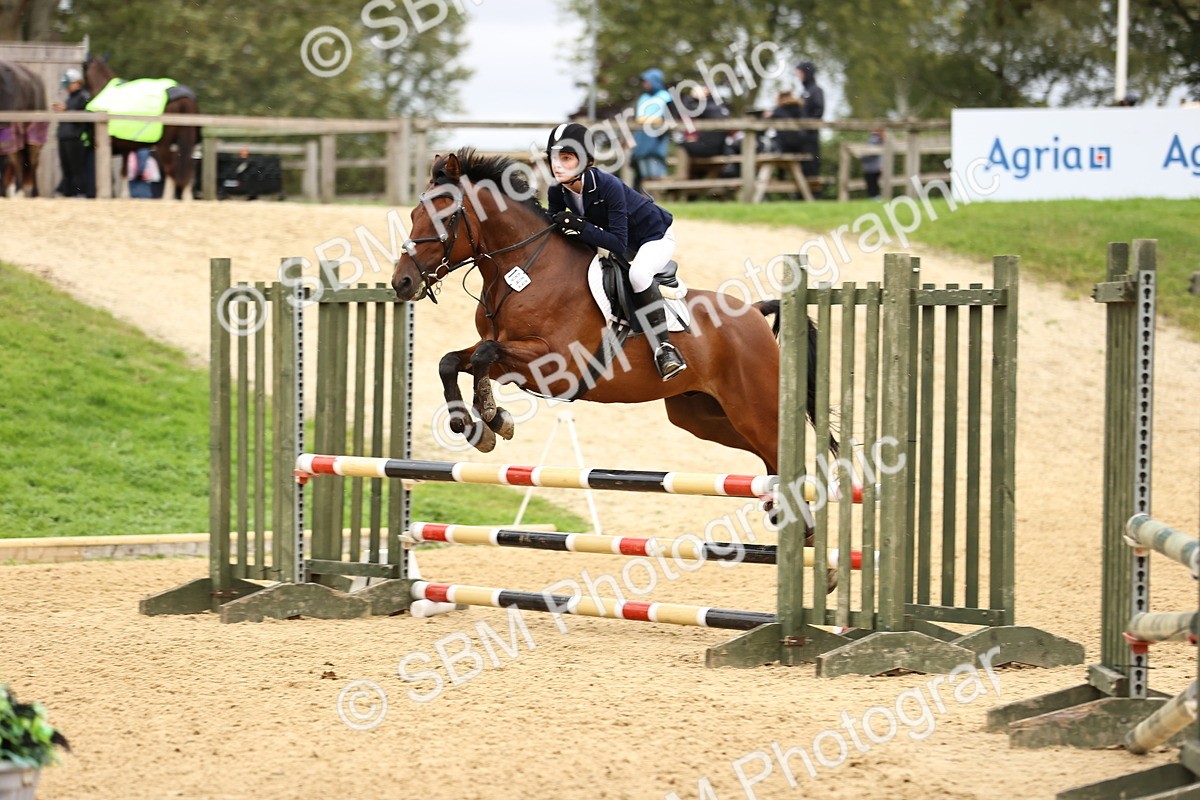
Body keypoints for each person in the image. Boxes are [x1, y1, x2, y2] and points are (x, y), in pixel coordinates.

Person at [545, 122, 686, 381]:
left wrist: (580, 226)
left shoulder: (608, 185)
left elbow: (619, 244)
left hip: (653, 237)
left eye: (566, 158)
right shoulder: (557, 190)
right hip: (615, 240)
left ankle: (665, 348)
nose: (557, 165)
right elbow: (555, 223)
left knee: (639, 275)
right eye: (554, 158)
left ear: (585, 160)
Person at [52, 67, 94, 198]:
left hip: (75, 138)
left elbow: (86, 114)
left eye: (68, 84)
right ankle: (68, 193)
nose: (66, 88)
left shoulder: (84, 96)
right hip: (64, 137)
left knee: (77, 169)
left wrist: (67, 109)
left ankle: (80, 193)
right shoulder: (71, 98)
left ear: (77, 82)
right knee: (66, 169)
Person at [630, 68, 673, 191]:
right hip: (642, 136)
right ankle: (647, 195)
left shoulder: (665, 97)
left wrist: (661, 131)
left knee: (656, 165)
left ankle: (660, 195)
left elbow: (670, 118)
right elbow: (636, 119)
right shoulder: (643, 98)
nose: (645, 84)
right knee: (643, 167)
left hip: (657, 136)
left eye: (647, 81)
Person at [794, 60, 825, 179]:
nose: (798, 76)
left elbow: (819, 111)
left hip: (810, 136)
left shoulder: (816, 91)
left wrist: (807, 126)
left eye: (800, 72)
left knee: (811, 165)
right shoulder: (804, 92)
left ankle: (814, 195)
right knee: (802, 166)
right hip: (801, 137)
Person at [862, 130, 884, 200]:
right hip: (876, 167)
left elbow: (868, 153)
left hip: (871, 168)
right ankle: (875, 197)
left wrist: (862, 157)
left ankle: (874, 197)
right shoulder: (880, 140)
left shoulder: (873, 140)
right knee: (875, 183)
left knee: (872, 183)